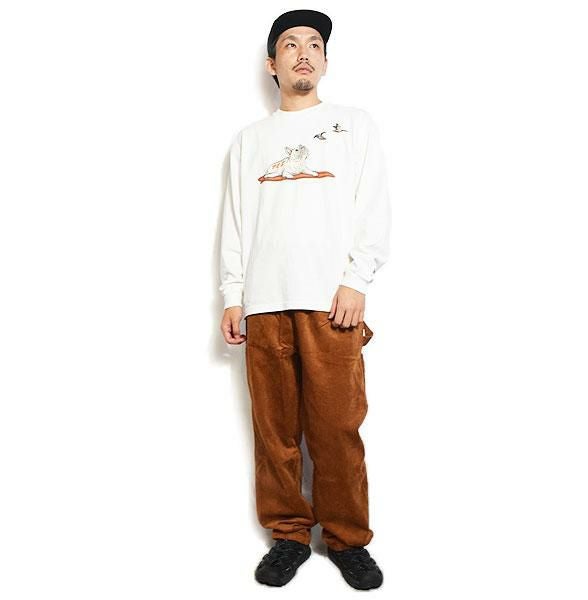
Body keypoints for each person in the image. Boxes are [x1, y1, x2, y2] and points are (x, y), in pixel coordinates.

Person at [218, 9, 391, 590]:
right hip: (264, 305)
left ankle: (347, 539)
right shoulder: (249, 141)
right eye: (290, 44)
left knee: (337, 429)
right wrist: (233, 294)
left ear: (325, 60)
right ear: (272, 64)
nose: (303, 53)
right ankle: (290, 534)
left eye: (314, 44)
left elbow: (373, 206)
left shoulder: (353, 125)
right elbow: (235, 222)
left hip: (331, 304)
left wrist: (357, 280)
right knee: (275, 433)